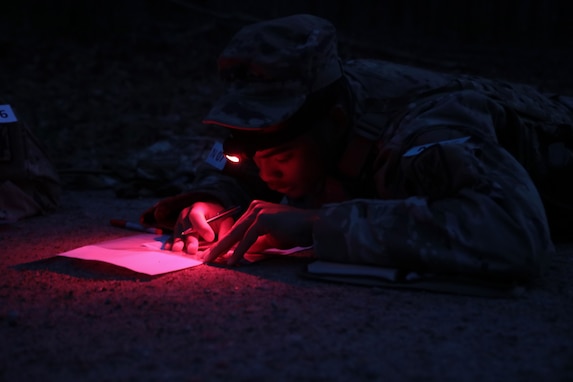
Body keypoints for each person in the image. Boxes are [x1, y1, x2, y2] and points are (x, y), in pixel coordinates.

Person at [141, 14, 573, 286]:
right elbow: (252, 157)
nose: (261, 168)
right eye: (249, 148)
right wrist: (211, 198)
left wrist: (319, 224)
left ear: (336, 125)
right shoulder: (314, 107)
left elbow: (515, 232)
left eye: (280, 156)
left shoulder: (425, 130)